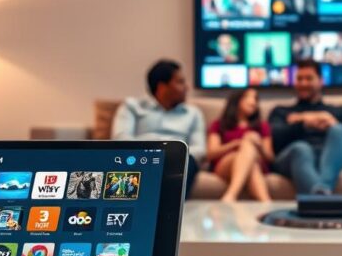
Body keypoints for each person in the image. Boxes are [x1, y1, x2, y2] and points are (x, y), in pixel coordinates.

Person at [112, 59, 205, 198]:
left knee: (188, 162)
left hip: (178, 160)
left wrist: (172, 155)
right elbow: (121, 138)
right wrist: (150, 156)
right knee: (123, 160)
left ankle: (169, 213)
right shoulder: (132, 107)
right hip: (140, 158)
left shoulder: (193, 113)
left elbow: (199, 149)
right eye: (180, 82)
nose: (187, 87)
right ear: (162, 87)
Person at [268, 59, 342, 195]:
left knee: (338, 130)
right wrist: (303, 123)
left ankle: (320, 192)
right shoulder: (281, 111)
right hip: (293, 159)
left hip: (329, 160)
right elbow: (273, 140)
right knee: (301, 148)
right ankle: (323, 196)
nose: (303, 83)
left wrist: (332, 121)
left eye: (309, 78)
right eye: (299, 79)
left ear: (321, 81)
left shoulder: (339, 111)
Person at [206, 89, 273, 203]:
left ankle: (230, 196)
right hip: (226, 163)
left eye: (255, 99)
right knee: (247, 148)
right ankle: (266, 203)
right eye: (248, 97)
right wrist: (238, 143)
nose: (253, 102)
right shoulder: (218, 124)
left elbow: (270, 157)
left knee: (251, 157)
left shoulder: (262, 126)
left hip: (256, 162)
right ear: (236, 100)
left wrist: (259, 145)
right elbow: (211, 153)